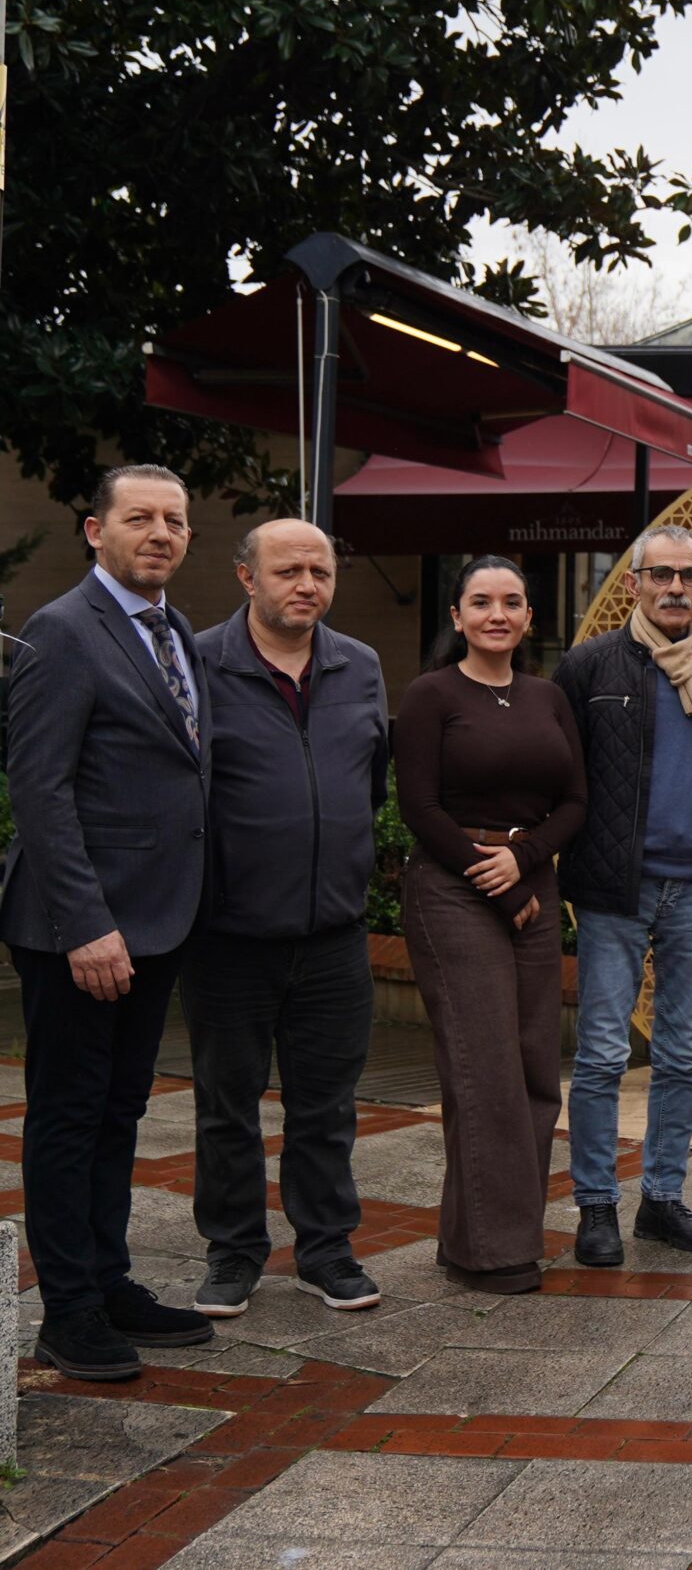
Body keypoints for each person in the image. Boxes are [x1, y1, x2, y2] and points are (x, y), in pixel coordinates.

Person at [2, 464, 217, 1379]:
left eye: (174, 519)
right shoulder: (62, 630)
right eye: (139, 517)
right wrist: (85, 923)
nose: (160, 532)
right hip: (80, 928)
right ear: (96, 530)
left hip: (158, 920)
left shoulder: (176, 630)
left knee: (119, 1110)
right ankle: (69, 1311)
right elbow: (39, 791)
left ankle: (106, 1278)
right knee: (68, 1115)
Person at [187, 519, 391, 1321]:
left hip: (334, 932)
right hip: (228, 935)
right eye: (288, 570)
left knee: (327, 1105)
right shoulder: (200, 662)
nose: (307, 584)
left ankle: (325, 1249)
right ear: (247, 576)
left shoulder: (360, 664)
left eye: (321, 570)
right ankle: (233, 1251)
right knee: (225, 1104)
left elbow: (370, 780)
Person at [554, 525, 692, 1268]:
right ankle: (596, 1204)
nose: (674, 587)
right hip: (614, 886)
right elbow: (561, 774)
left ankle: (663, 1198)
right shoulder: (589, 665)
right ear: (633, 583)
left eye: (689, 575)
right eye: (660, 574)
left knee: (682, 1053)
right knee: (603, 1053)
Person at [394, 556, 588, 1294]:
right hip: (453, 886)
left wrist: (526, 862)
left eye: (511, 601)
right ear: (457, 616)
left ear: (530, 617)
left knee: (536, 1067)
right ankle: (496, 1251)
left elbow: (576, 799)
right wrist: (499, 883)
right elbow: (418, 806)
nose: (496, 614)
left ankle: (474, 1237)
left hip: (530, 879)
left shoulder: (548, 696)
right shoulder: (431, 695)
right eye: (481, 602)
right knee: (487, 1070)